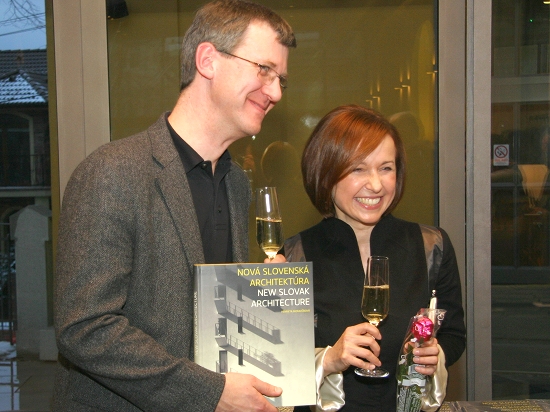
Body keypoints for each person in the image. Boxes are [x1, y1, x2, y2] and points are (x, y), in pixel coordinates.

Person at [52, 1, 296, 411]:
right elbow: (85, 327)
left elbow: (201, 316)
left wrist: (257, 298)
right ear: (208, 60)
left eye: (281, 80)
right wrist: (210, 392)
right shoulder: (112, 172)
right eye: (264, 70)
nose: (274, 93)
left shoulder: (236, 183)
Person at [281, 105, 466, 411]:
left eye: (386, 168)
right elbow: (274, 361)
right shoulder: (293, 257)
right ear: (325, 173)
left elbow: (454, 335)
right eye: (358, 169)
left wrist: (436, 354)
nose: (377, 185)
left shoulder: (432, 246)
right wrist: (329, 358)